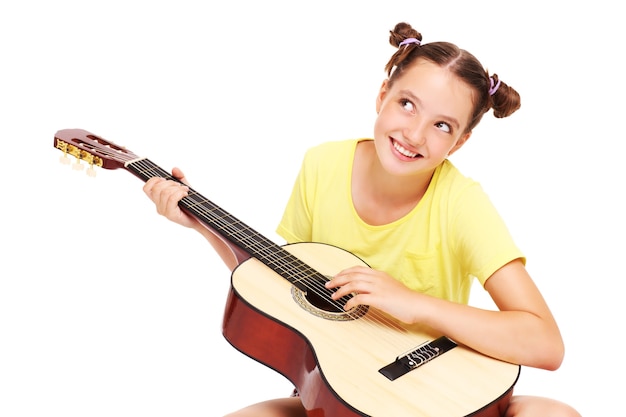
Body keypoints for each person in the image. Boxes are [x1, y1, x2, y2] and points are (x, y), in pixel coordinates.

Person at [143, 22, 581, 417]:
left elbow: (545, 342)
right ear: (382, 95)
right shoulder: (323, 165)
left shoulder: (460, 203)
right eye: (407, 104)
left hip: (441, 393)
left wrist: (415, 303)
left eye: (442, 126)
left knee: (553, 415)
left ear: (461, 142)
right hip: (341, 397)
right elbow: (280, 285)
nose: (414, 134)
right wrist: (202, 223)